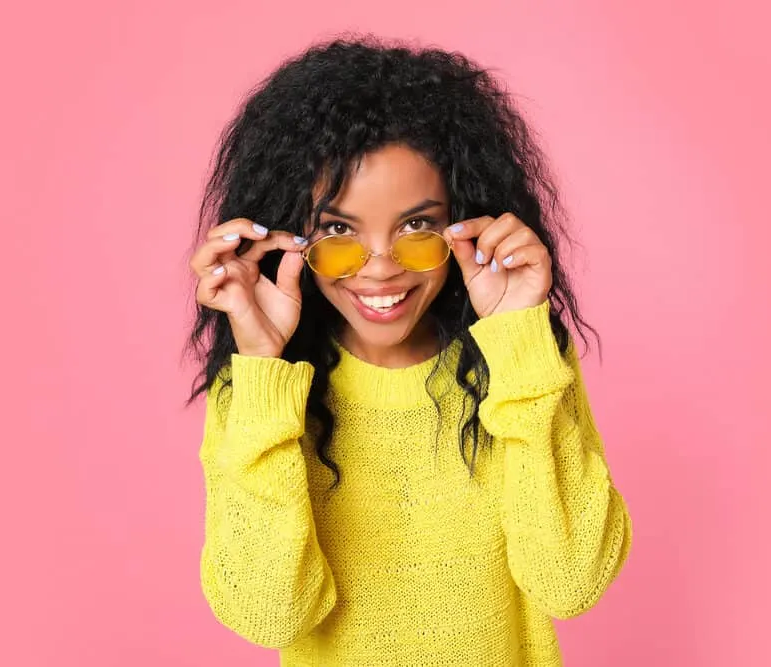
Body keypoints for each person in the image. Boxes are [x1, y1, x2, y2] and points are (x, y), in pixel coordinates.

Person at [185, 36, 632, 666]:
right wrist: (261, 368)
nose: (381, 270)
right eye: (338, 232)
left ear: (466, 221)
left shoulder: (521, 362)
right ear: (289, 236)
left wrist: (518, 339)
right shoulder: (262, 388)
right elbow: (269, 613)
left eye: (417, 227)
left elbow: (571, 581)